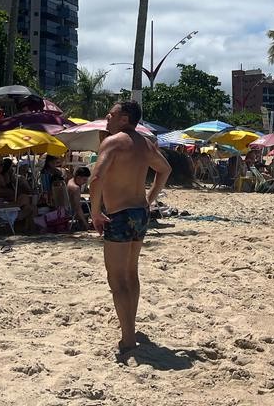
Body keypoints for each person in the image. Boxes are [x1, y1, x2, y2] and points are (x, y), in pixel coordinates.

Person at [92, 100, 172, 355]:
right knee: (131, 273)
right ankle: (130, 327)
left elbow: (96, 178)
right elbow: (165, 169)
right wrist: (150, 198)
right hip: (140, 213)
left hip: (120, 214)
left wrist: (95, 212)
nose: (107, 117)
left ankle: (128, 338)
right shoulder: (145, 144)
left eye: (111, 114)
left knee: (116, 278)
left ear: (124, 119)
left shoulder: (114, 142)